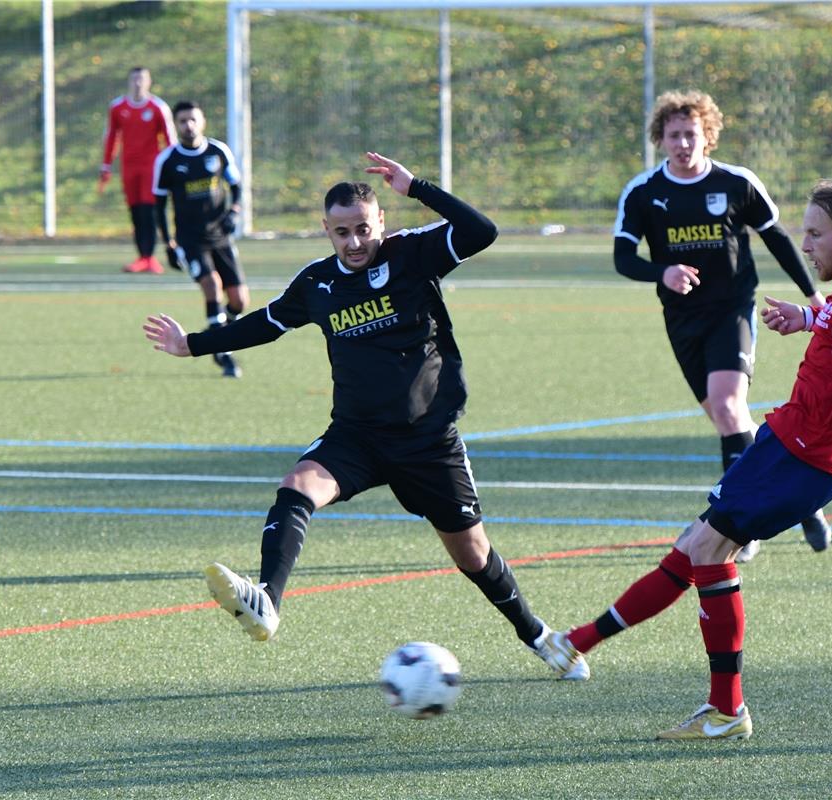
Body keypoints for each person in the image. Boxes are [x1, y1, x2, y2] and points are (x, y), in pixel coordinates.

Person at [144, 152, 586, 679]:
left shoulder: (414, 254)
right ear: (325, 231)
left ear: (381, 222)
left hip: (428, 441)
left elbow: (481, 231)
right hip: (356, 436)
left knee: (472, 554)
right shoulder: (317, 284)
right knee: (296, 487)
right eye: (341, 233)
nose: (354, 243)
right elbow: (264, 323)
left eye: (363, 229)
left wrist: (417, 187)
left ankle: (537, 635)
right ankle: (267, 600)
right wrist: (192, 344)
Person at [539, 179, 832, 739]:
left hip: (813, 454)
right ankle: (578, 643)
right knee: (694, 547)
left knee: (710, 549)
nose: (805, 244)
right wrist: (805, 319)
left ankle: (726, 710)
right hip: (788, 438)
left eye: (815, 233)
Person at [614, 90, 832, 561]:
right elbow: (622, 257)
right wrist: (663, 272)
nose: (682, 143)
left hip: (732, 309)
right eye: (673, 135)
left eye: (691, 134)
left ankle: (740, 525)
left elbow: (775, 238)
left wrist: (813, 294)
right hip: (682, 319)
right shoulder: (644, 192)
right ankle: (797, 499)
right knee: (726, 418)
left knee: (729, 405)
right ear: (661, 140)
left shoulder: (737, 183)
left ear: (708, 136)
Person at [152, 100, 248, 378]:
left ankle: (219, 329)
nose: (188, 125)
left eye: (193, 119)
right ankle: (222, 351)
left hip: (220, 236)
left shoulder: (218, 151)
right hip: (189, 239)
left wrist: (234, 211)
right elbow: (159, 206)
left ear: (202, 121)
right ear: (175, 125)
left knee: (239, 302)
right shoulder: (168, 160)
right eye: (182, 121)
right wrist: (168, 244)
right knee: (211, 283)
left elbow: (237, 186)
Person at [98, 66, 176, 274]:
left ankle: (149, 257)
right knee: (135, 212)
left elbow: (170, 141)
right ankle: (142, 256)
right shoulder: (117, 107)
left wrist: (174, 167)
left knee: (149, 211)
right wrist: (106, 164)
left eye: (142, 79)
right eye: (134, 79)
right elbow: (111, 137)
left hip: (151, 167)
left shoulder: (158, 107)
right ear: (129, 81)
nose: (138, 83)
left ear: (149, 81)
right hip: (129, 167)